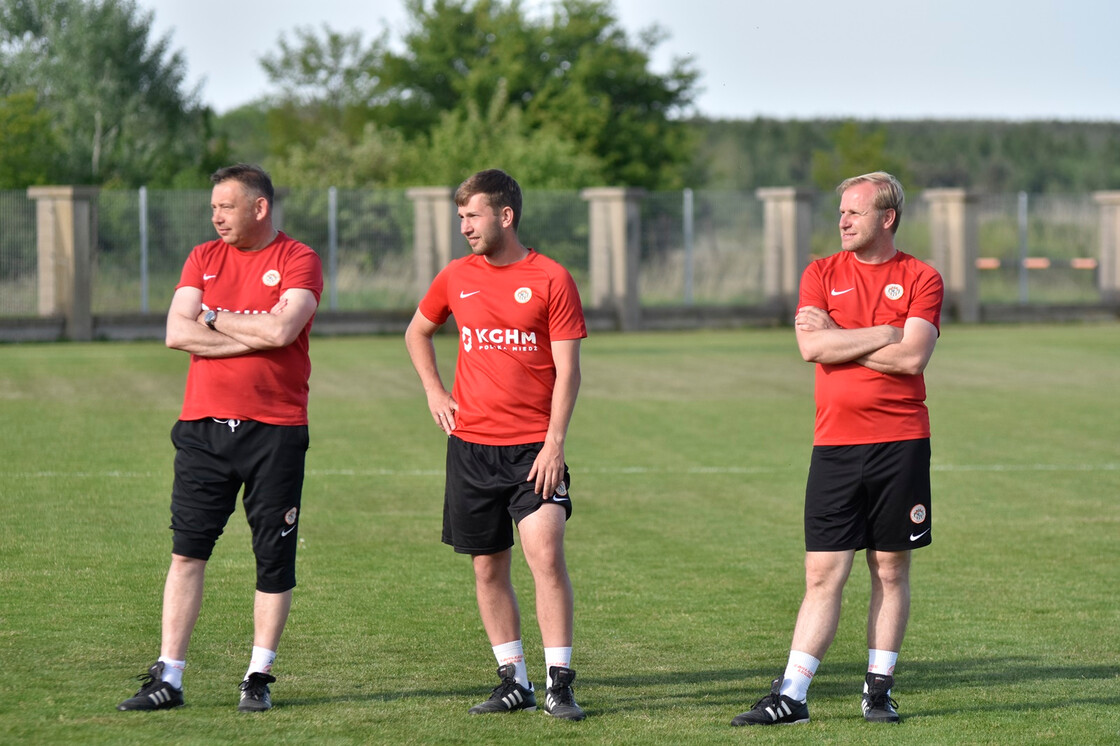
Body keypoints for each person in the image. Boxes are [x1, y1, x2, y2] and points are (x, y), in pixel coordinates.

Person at [732, 172, 943, 726]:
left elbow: (912, 359)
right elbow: (810, 347)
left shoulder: (922, 277)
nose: (843, 221)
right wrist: (884, 331)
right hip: (835, 446)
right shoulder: (820, 272)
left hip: (901, 443)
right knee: (822, 573)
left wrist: (844, 336)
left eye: (855, 212)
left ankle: (878, 690)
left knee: (890, 570)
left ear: (887, 218)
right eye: (841, 212)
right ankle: (793, 696)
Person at [117, 164, 323, 713]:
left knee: (272, 560)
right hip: (203, 428)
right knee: (187, 551)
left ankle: (258, 676)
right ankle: (170, 677)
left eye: (225, 207)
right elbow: (174, 333)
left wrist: (212, 317)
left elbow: (284, 331)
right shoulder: (203, 257)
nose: (216, 216)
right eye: (213, 207)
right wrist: (250, 333)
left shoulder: (298, 258)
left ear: (259, 207)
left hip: (276, 430)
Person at [404, 169, 588, 721]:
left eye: (472, 215)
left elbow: (569, 371)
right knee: (487, 568)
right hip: (471, 448)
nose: (463, 227)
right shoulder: (455, 276)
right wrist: (436, 390)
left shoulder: (552, 278)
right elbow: (417, 330)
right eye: (460, 217)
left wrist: (555, 444)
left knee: (546, 555)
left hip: (532, 448)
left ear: (505, 216)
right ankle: (514, 680)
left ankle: (560, 682)